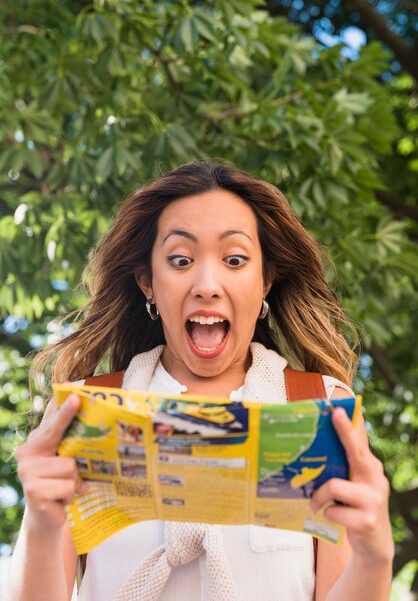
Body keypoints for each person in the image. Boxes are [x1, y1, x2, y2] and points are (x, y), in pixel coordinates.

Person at [5, 161, 394, 601]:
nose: (208, 284)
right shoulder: (85, 413)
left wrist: (376, 556)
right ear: (147, 282)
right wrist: (40, 524)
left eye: (234, 259)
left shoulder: (319, 408)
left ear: (265, 281)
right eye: (181, 260)